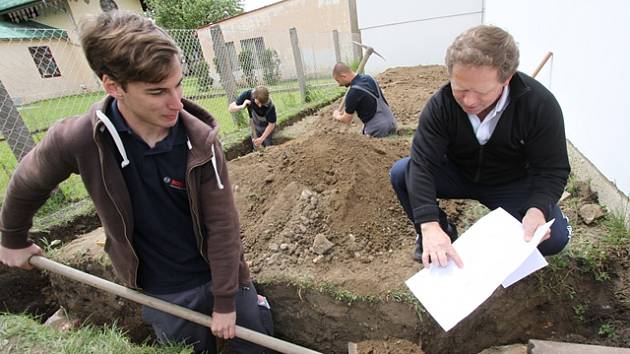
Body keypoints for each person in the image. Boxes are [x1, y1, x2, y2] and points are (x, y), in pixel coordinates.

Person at [0, 11, 273, 354]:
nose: (176, 102)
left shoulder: (199, 140)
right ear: (113, 85)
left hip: (223, 276)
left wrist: (225, 300)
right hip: (164, 291)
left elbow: (222, 224)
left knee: (256, 346)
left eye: (178, 84)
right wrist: (11, 239)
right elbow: (28, 180)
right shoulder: (80, 139)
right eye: (157, 91)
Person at [389, 25, 572, 269]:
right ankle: (444, 233)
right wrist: (429, 224)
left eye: (482, 92)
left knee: (554, 238)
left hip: (509, 182)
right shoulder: (441, 106)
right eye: (461, 89)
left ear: (507, 79)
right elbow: (422, 165)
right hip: (459, 175)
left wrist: (537, 209)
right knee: (403, 172)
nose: (469, 101)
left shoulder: (539, 105)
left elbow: (553, 169)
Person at [332, 62, 397, 137]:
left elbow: (346, 119)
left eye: (338, 81)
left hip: (378, 129)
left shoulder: (353, 92)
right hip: (392, 122)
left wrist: (337, 116)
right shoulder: (369, 78)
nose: (339, 84)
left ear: (343, 76)